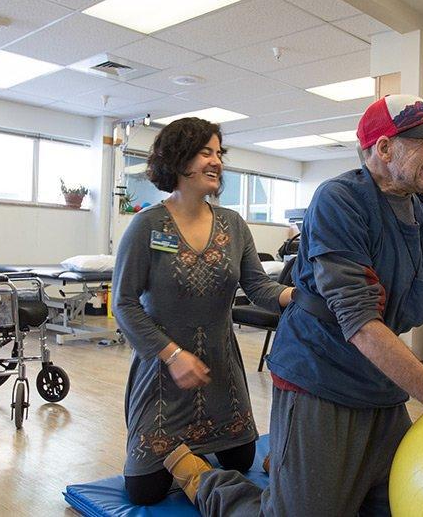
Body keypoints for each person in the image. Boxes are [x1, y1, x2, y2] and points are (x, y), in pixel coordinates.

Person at [162, 95, 423, 515]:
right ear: (385, 148)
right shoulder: (339, 201)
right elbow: (360, 322)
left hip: (381, 386)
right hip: (320, 377)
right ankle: (206, 480)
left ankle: (291, 465)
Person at [112, 117, 294, 505]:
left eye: (218, 153)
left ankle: (191, 463)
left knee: (242, 459)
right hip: (164, 373)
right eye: (204, 152)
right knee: (144, 493)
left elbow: (259, 287)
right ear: (178, 161)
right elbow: (123, 304)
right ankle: (181, 458)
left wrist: (298, 295)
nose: (216, 162)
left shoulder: (233, 224)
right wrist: (173, 355)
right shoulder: (146, 226)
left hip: (220, 371)